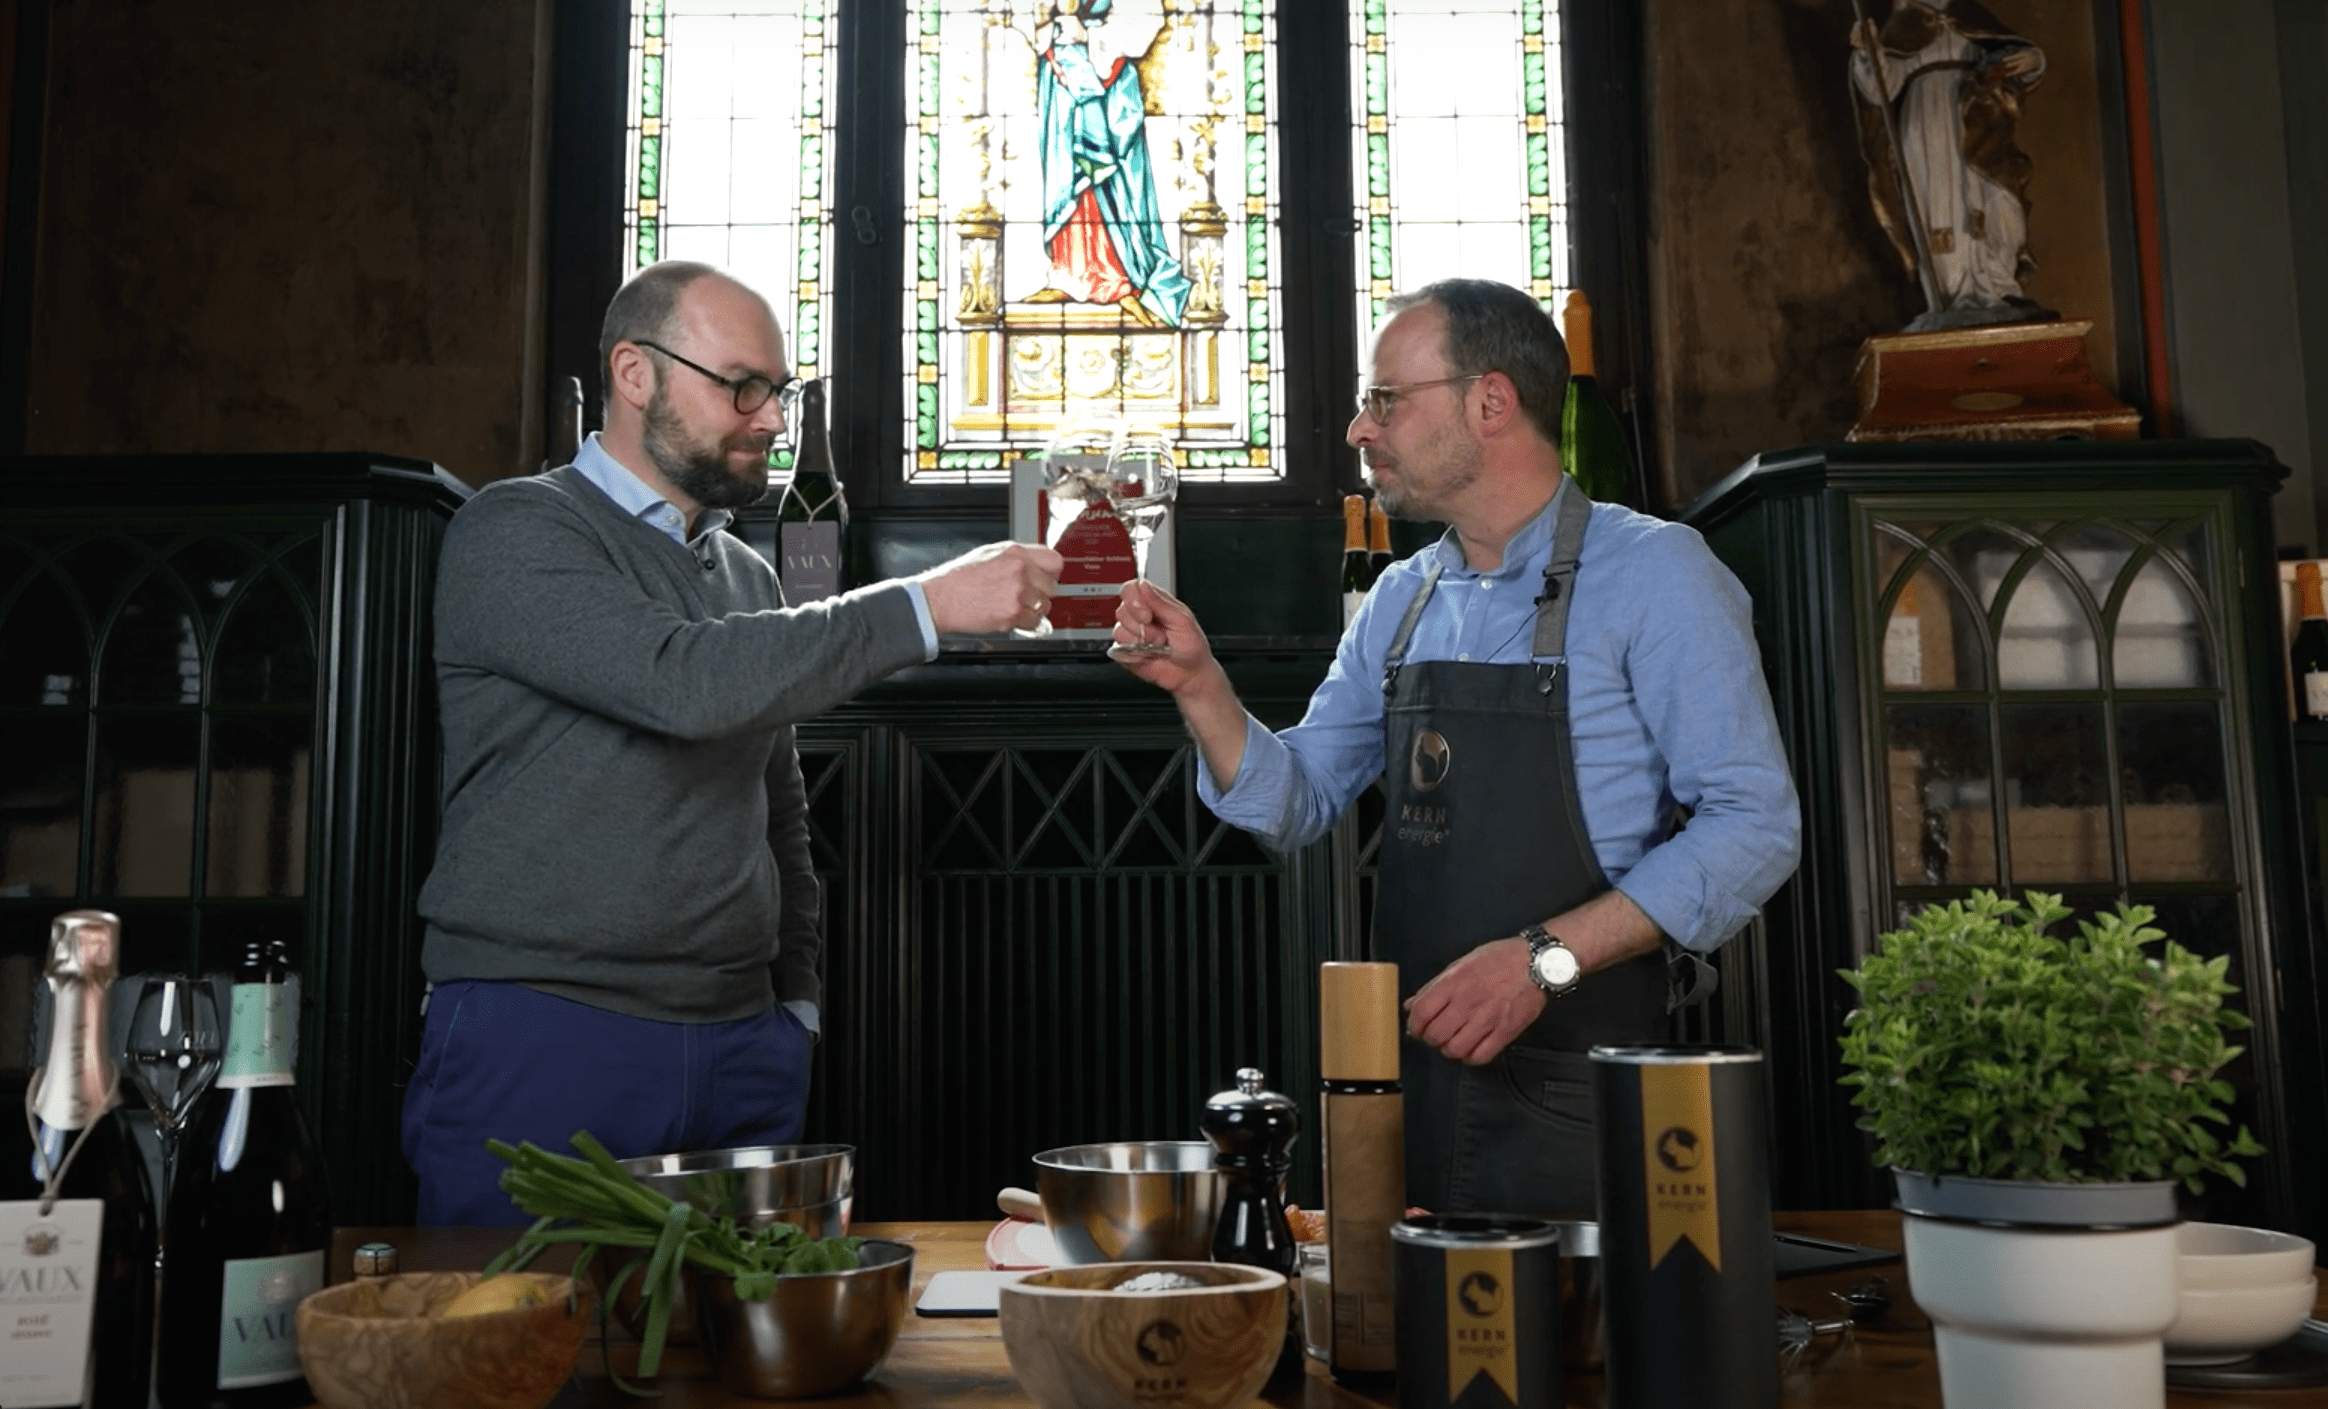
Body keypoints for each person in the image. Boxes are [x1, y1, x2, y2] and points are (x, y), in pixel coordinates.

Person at [1112, 278, 1800, 1216]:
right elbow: (1298, 799)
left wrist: (1540, 961)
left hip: (1580, 1082)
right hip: (1411, 1078)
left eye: (1386, 399)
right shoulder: (1402, 599)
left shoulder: (1659, 573)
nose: (1360, 428)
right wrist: (1201, 686)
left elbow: (1754, 826)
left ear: (1490, 402)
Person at [404, 260, 1064, 1224]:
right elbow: (681, 681)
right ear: (635, 374)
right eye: (742, 386)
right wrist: (927, 604)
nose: (770, 419)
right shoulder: (515, 528)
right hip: (541, 1033)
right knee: (522, 1355)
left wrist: (790, 1005)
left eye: (779, 391)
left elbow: (782, 816)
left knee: (734, 1368)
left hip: (741, 1044)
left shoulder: (747, 575)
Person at [1849, 0, 2050, 331]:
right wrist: (1869, 54)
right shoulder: (1903, 22)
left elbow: (2010, 56)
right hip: (1927, 119)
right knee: (1942, 208)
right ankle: (1952, 298)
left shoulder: (1969, 12)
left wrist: (2032, 60)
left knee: (2000, 199)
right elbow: (1880, 90)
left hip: (1978, 115)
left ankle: (2000, 287)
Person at [1022, 0, 1190, 329]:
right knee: (1067, 179)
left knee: (1107, 181)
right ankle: (1068, 275)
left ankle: (1118, 276)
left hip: (1107, 86)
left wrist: (1086, 33)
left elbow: (1144, 23)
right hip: (1061, 82)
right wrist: (1047, 22)